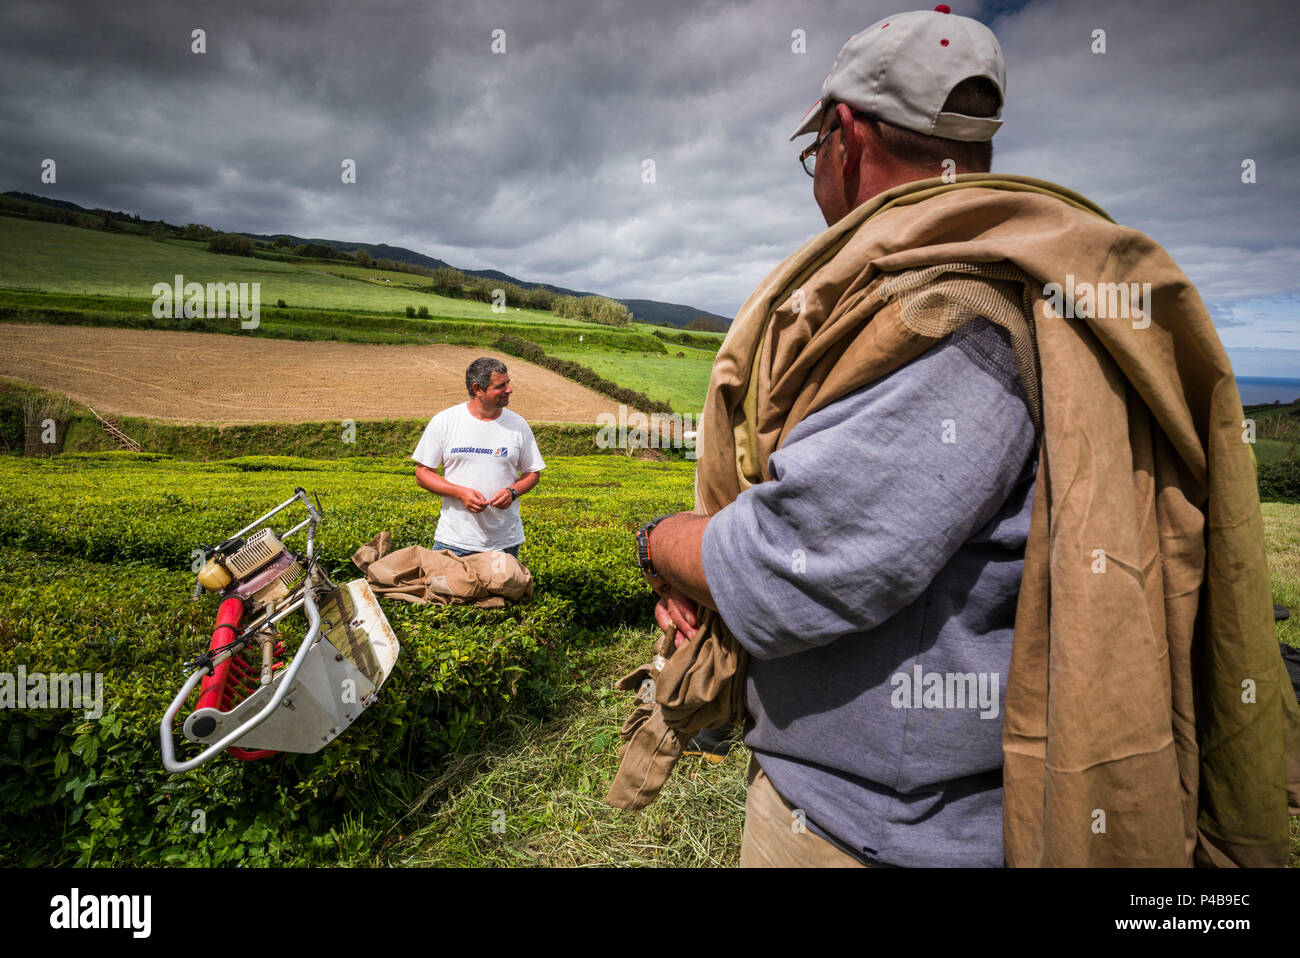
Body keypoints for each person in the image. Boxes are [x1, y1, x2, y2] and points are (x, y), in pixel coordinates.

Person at [627, 6, 1299, 868]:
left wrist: (659, 545)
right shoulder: (1001, 278)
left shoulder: (956, 316)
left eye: (814, 154)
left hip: (880, 834)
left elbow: (799, 565)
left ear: (847, 133)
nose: (815, 176)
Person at [412, 357, 544, 558]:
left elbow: (533, 472)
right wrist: (459, 492)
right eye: (501, 386)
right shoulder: (445, 421)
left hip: (504, 543)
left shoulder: (518, 425)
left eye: (508, 383)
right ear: (478, 389)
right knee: (445, 590)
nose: (509, 390)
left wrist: (512, 492)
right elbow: (422, 474)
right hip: (455, 540)